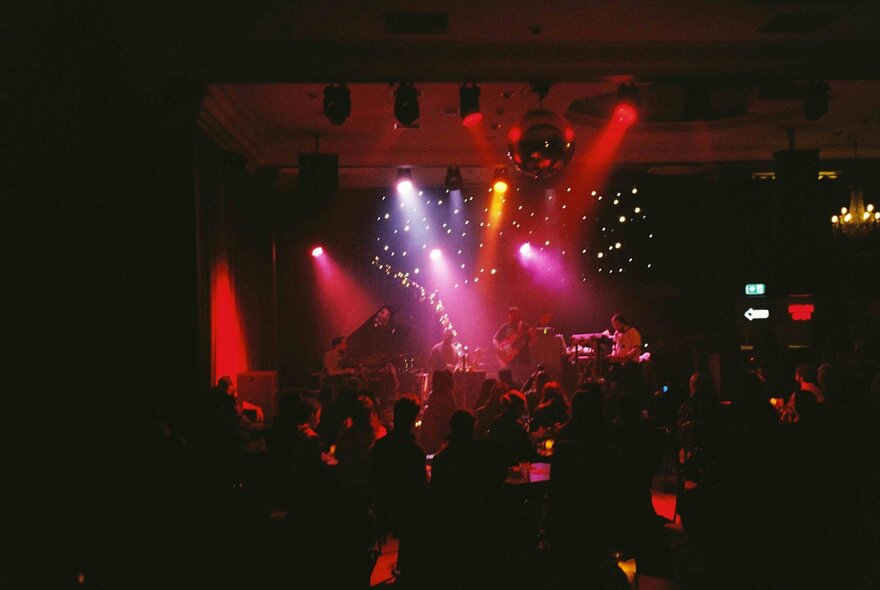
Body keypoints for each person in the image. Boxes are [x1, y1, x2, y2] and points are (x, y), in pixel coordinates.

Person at [493, 306, 536, 386]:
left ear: (518, 315)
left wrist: (533, 335)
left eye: (514, 314)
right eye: (511, 314)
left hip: (523, 360)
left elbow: (533, 342)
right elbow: (495, 339)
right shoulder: (505, 327)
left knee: (525, 383)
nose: (512, 316)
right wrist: (499, 348)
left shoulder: (525, 326)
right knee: (510, 383)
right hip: (510, 361)